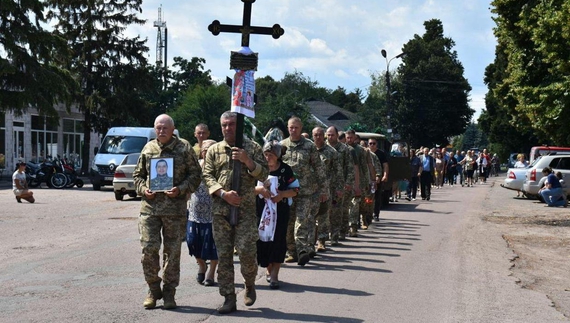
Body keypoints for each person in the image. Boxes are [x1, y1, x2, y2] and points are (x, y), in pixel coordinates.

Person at [133, 114, 202, 310]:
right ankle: (153, 288)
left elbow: (196, 175)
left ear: (173, 129)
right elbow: (138, 176)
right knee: (148, 249)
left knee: (172, 253)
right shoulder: (148, 148)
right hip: (150, 208)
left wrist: (181, 189)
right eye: (158, 128)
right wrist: (142, 189)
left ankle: (170, 291)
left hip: (175, 210)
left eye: (165, 128)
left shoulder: (184, 148)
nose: (161, 131)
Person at [202, 111, 268, 314]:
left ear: (238, 126)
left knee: (248, 253)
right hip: (221, 212)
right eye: (224, 125)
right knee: (224, 257)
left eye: (231, 124)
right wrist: (222, 193)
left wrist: (248, 162)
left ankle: (249, 284)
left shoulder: (253, 147)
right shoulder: (214, 150)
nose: (228, 128)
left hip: (245, 211)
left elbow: (264, 173)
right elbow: (207, 175)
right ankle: (229, 298)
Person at [280, 117, 327, 265]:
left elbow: (319, 168)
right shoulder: (282, 146)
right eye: (291, 127)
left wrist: (324, 189)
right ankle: (292, 252)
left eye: (296, 128)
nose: (293, 130)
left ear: (301, 129)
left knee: (301, 221)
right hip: (287, 192)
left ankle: (302, 250)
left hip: (305, 192)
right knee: (288, 222)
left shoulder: (309, 146)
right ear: (287, 128)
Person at [255, 141, 299, 290]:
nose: (268, 158)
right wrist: (260, 190)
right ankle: (268, 268)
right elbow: (248, 187)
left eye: (271, 155)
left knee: (278, 240)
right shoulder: (258, 169)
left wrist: (282, 195)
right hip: (261, 211)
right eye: (266, 155)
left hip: (280, 211)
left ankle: (275, 275)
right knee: (263, 241)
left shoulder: (286, 170)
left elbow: (296, 190)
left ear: (278, 156)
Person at [186, 139, 218, 287]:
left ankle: (211, 273)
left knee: (212, 246)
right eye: (204, 149)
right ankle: (201, 265)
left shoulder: (219, 168)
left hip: (213, 214)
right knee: (192, 242)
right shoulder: (196, 167)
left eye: (210, 149)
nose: (206, 152)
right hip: (194, 214)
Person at [311, 126, 342, 252]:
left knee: (323, 216)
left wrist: (339, 188)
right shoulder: (308, 149)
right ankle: (309, 242)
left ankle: (322, 241)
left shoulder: (331, 152)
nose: (318, 137)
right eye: (315, 135)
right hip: (309, 189)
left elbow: (338, 172)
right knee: (309, 216)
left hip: (325, 189)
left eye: (320, 135)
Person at [326, 126, 355, 244]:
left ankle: (336, 234)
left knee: (338, 210)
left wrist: (348, 183)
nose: (330, 137)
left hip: (339, 184)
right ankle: (326, 233)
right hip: (325, 185)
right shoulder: (322, 148)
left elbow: (350, 167)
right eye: (328, 135)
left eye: (332, 135)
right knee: (325, 211)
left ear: (337, 135)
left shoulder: (344, 149)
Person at [345, 130, 371, 236]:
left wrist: (366, 182)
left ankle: (358, 222)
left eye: (351, 137)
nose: (349, 139)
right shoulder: (343, 149)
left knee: (359, 204)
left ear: (355, 137)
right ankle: (349, 226)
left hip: (358, 180)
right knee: (348, 205)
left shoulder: (360, 150)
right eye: (348, 137)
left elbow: (364, 167)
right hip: (346, 181)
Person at [368, 137, 388, 221]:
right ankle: (368, 214)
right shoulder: (366, 153)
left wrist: (385, 175)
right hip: (367, 178)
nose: (372, 145)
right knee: (367, 197)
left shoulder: (381, 153)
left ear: (376, 144)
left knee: (377, 196)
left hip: (377, 178)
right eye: (370, 143)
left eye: (374, 143)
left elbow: (385, 165)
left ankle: (376, 214)